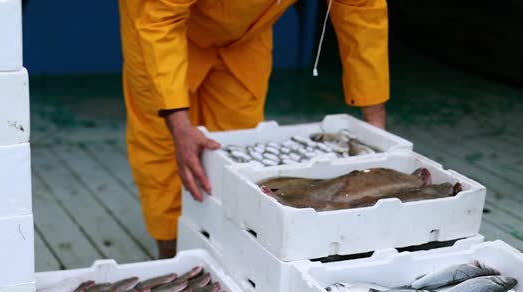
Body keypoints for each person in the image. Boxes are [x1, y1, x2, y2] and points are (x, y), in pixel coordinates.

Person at [119, 0, 390, 259]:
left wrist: (375, 122)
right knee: (163, 146)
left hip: (245, 38)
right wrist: (177, 124)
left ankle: (226, 249)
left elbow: (362, 9)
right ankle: (171, 253)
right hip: (158, 28)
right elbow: (159, 19)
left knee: (237, 151)